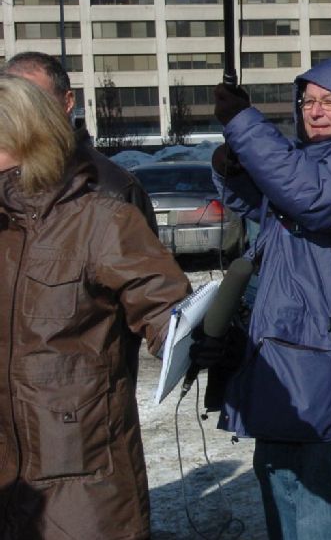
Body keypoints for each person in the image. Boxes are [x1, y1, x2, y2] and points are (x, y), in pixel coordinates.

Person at [201, 56, 331, 540]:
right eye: (308, 102)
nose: (316, 111)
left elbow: (312, 199)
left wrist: (244, 123)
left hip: (322, 359)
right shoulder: (305, 161)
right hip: (280, 350)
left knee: (318, 493)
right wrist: (232, 170)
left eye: (330, 102)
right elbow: (264, 200)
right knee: (278, 478)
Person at [0, 73, 189, 538]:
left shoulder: (101, 221)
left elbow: (166, 308)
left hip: (79, 468)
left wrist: (191, 339)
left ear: (23, 138)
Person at [3, 51, 158, 234]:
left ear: (68, 102)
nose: (23, 113)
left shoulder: (112, 188)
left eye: (37, 101)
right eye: (11, 103)